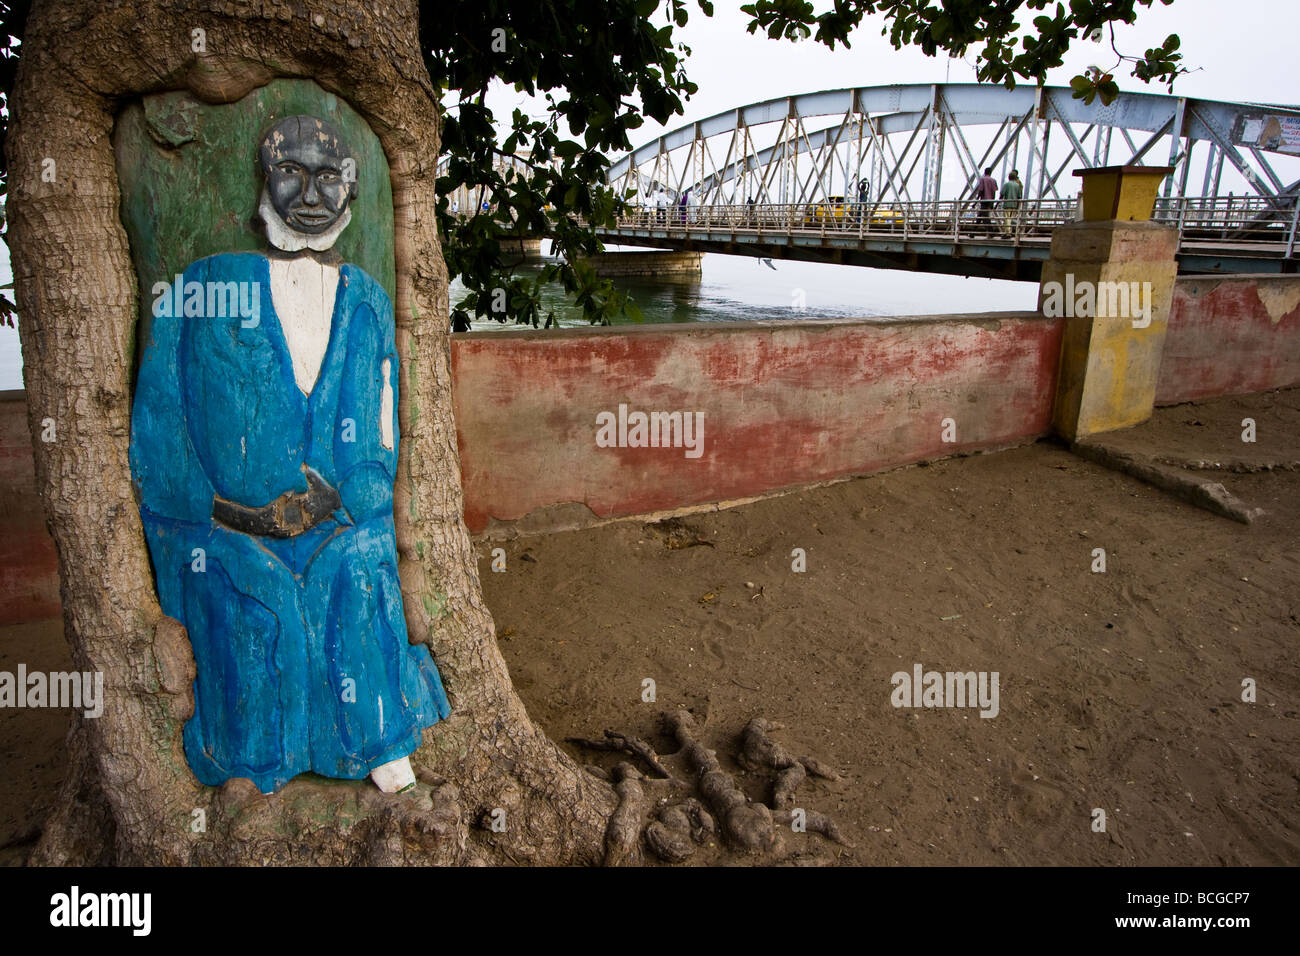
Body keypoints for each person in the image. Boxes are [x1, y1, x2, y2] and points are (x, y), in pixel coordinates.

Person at [129, 115, 451, 795]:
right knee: (243, 596)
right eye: (290, 172)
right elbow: (160, 436)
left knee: (362, 567)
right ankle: (252, 757)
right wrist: (237, 516)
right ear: (263, 180)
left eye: (329, 176)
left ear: (352, 187)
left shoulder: (365, 298)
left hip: (337, 525)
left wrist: (344, 498)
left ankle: (373, 737)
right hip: (228, 533)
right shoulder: (200, 288)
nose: (310, 193)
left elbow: (381, 427)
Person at [999, 169, 1022, 236]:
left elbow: (1002, 194)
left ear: (1009, 177)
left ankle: (1008, 233)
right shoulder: (1017, 185)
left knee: (1007, 219)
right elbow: (1019, 196)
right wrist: (1018, 205)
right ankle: (1010, 232)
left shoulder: (1006, 184)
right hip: (1014, 205)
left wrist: (999, 201)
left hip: (1007, 204)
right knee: (1011, 219)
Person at [975, 166, 998, 233]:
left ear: (984, 172)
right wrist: (992, 202)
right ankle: (972, 232)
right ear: (990, 173)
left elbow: (981, 190)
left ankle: (991, 232)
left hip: (984, 200)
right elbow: (994, 192)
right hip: (990, 200)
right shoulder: (993, 180)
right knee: (981, 215)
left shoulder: (982, 179)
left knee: (983, 216)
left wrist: (976, 201)